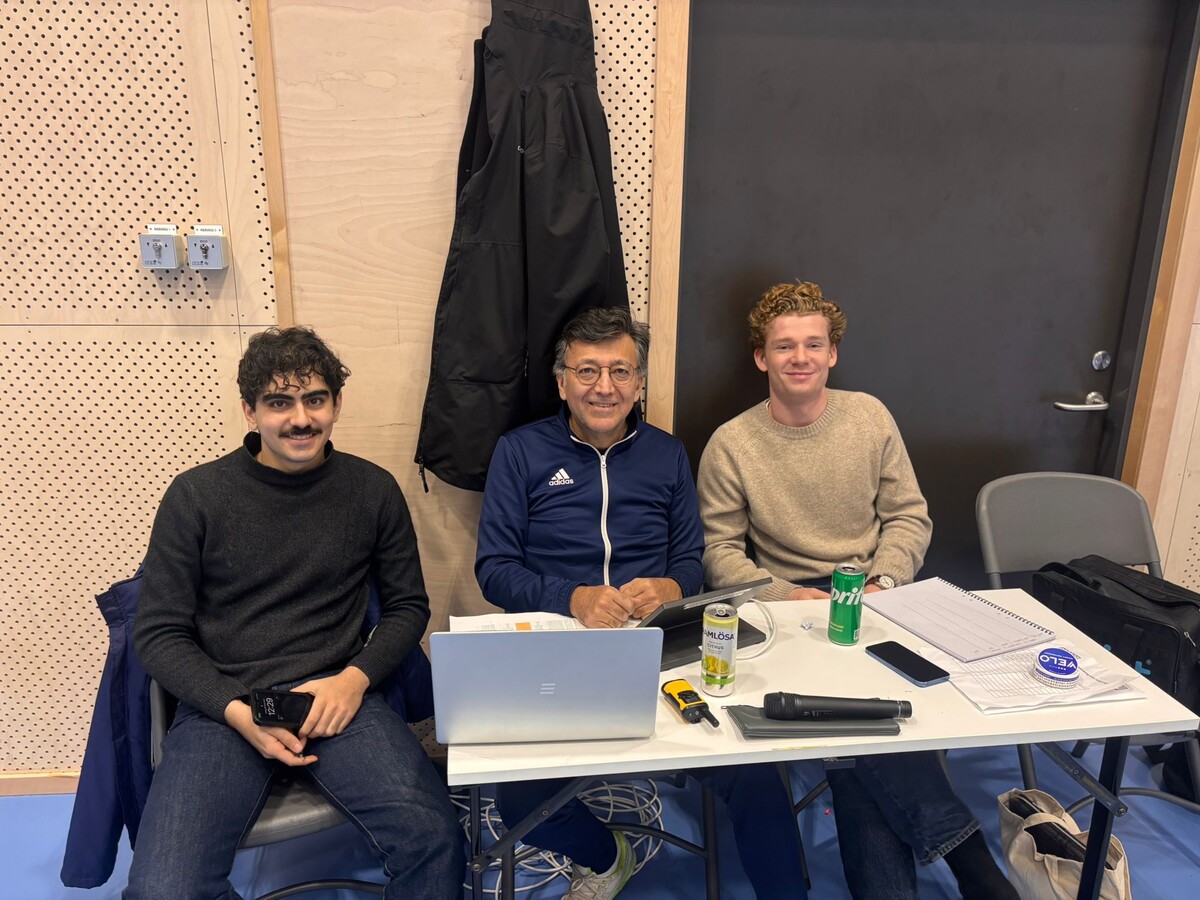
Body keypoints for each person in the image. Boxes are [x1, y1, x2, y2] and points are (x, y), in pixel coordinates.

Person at [697, 281, 1018, 900]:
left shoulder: (869, 416)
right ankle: (976, 868)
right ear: (761, 357)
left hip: (878, 597)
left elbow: (909, 517)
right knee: (870, 729)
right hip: (787, 611)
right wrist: (790, 597)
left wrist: (883, 581)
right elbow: (719, 554)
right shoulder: (731, 443)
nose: (800, 357)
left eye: (813, 344)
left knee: (863, 740)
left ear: (833, 353)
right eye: (784, 346)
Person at [476, 307, 808, 899]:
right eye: (587, 371)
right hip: (559, 647)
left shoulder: (667, 453)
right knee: (520, 798)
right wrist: (571, 597)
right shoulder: (519, 452)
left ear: (639, 383)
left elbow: (690, 559)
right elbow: (494, 570)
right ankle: (608, 857)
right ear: (561, 383)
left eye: (620, 371)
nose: (604, 387)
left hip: (660, 644)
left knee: (756, 769)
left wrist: (673, 588)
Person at [127, 327, 464, 899]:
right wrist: (236, 712)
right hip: (226, 706)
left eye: (315, 400)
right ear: (250, 411)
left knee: (435, 839)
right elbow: (159, 634)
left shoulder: (372, 490)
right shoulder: (196, 496)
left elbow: (408, 607)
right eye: (279, 402)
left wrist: (354, 680)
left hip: (335, 696)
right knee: (164, 890)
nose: (300, 419)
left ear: (336, 404)